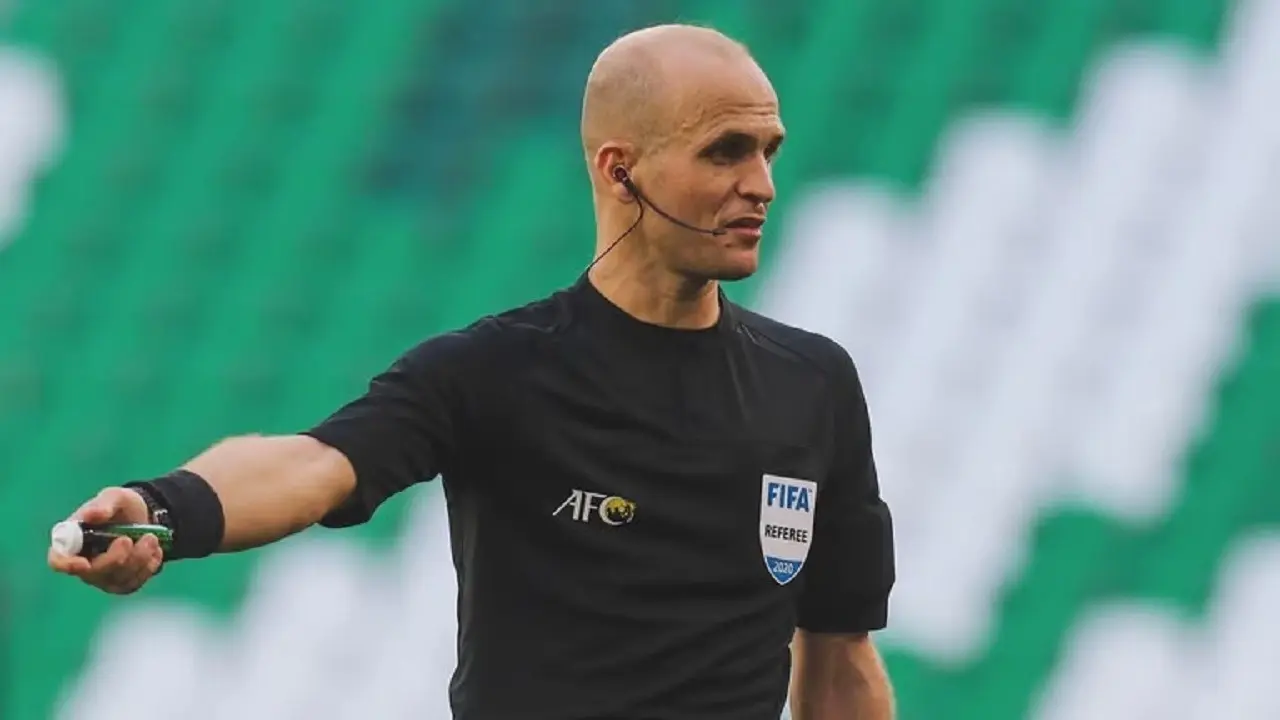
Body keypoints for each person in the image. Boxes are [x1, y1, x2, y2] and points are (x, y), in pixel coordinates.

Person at [48, 23, 896, 720]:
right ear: (620, 169)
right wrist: (164, 509)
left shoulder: (813, 385)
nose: (762, 185)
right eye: (726, 152)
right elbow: (316, 463)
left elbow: (839, 652)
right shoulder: (497, 371)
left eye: (769, 152)